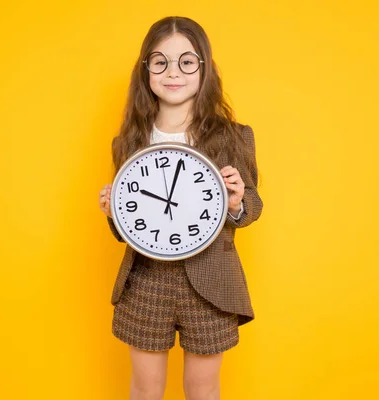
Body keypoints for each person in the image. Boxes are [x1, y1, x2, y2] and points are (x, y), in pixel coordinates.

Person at [98, 16, 263, 400]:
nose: (174, 72)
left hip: (212, 283)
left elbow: (253, 203)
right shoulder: (127, 143)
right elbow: (132, 221)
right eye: (160, 62)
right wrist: (114, 213)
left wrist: (236, 204)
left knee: (203, 388)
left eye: (187, 62)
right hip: (146, 280)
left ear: (204, 68)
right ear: (146, 71)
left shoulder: (233, 137)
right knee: (144, 387)